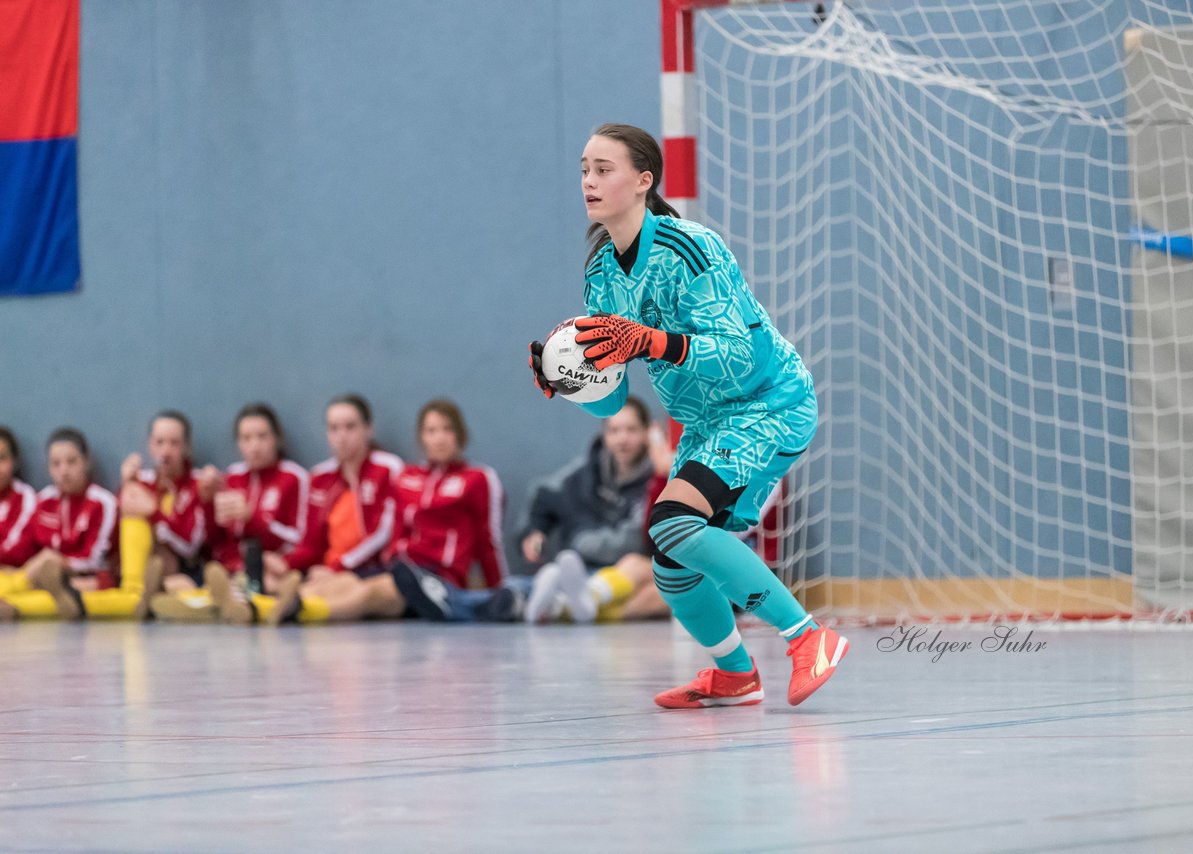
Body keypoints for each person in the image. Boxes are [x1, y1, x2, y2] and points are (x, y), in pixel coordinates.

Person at [528, 123, 847, 708]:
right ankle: (735, 674)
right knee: (672, 560)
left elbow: (738, 354)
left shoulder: (691, 246)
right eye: (584, 169)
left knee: (672, 520)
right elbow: (613, 397)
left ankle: (809, 638)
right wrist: (567, 379)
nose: (589, 182)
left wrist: (651, 341)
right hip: (708, 426)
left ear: (643, 181)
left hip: (768, 402)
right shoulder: (600, 271)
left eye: (604, 169)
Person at [214, 398, 522, 624]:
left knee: (368, 592)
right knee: (340, 584)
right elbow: (396, 534)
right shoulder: (411, 478)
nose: (438, 437)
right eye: (430, 430)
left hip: (434, 576)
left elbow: (487, 539)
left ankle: (291, 611)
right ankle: (261, 606)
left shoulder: (474, 479)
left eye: (446, 429)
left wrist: (501, 591)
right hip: (397, 568)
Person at [208, 394, 403, 625]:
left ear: (368, 429)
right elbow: (311, 541)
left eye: (350, 427)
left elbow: (383, 532)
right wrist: (289, 563)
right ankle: (259, 606)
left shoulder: (388, 468)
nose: (342, 437)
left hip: (370, 568)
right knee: (288, 581)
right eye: (334, 428)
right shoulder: (321, 477)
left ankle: (271, 608)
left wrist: (335, 567)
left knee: (345, 586)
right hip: (327, 569)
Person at [146, 403, 309, 621]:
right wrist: (206, 502)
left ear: (276, 439)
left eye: (262, 437)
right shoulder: (232, 477)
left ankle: (223, 605)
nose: (254, 446)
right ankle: (233, 605)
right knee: (175, 584)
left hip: (267, 567)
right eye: (246, 438)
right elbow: (216, 539)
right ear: (238, 443)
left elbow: (301, 538)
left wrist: (253, 519)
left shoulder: (293, 477)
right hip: (226, 570)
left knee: (265, 582)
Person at [521, 397, 663, 623]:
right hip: (579, 570)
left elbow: (638, 540)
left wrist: (663, 467)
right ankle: (578, 600)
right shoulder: (585, 470)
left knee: (668, 589)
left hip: (627, 574)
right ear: (604, 435)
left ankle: (567, 608)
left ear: (649, 432)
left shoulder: (659, 476)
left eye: (631, 430)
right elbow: (544, 494)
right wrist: (534, 531)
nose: (622, 439)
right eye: (614, 431)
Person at [0, 428, 122, 621]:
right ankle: (19, 600)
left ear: (86, 461)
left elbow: (95, 559)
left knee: (49, 569)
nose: (63, 471)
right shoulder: (45, 500)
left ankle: (13, 595)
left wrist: (59, 561)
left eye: (71, 462)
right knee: (37, 575)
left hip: (91, 577)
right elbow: (27, 547)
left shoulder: (103, 502)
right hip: (43, 576)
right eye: (56, 464)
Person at [119, 410, 210, 616]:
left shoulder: (198, 484)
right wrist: (126, 484)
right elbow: (117, 540)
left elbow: (190, 547)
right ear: (150, 445)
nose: (166, 451)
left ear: (187, 447)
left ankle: (151, 594)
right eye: (160, 442)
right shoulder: (141, 481)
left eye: (174, 443)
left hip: (182, 567)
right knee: (132, 517)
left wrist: (154, 513)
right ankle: (134, 589)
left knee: (184, 584)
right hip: (143, 567)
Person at [0, 427, 38, 600]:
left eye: (1, 459)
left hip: (13, 579)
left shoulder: (26, 497)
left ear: (14, 462)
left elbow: (20, 550)